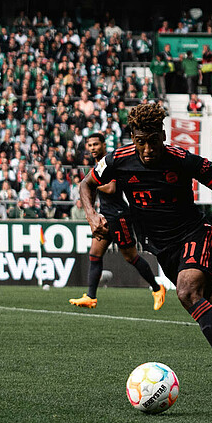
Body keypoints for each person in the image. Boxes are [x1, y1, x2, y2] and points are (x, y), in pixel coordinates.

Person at [79, 103, 212, 393]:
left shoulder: (181, 159)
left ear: (163, 135)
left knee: (186, 292)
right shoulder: (117, 159)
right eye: (140, 142)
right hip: (163, 248)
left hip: (196, 234)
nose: (147, 149)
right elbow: (86, 184)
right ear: (133, 138)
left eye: (153, 141)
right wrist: (92, 215)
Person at [69, 133, 167, 312]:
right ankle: (91, 296)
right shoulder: (97, 166)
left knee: (131, 257)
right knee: (95, 255)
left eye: (96, 144)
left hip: (119, 216)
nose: (92, 148)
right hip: (106, 216)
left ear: (104, 145)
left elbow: (112, 188)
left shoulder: (110, 162)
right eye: (90, 145)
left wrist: (89, 184)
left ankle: (157, 288)